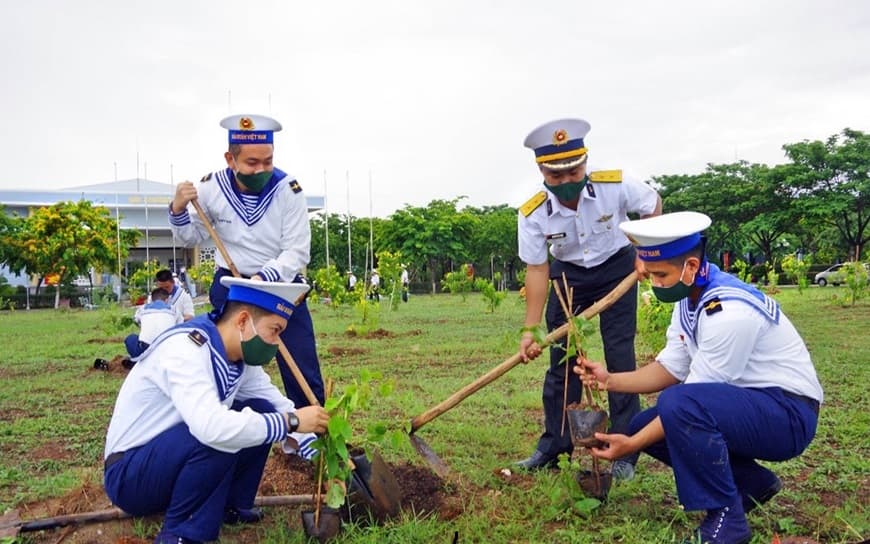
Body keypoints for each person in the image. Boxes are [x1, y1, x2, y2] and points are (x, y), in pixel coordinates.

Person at [575, 211, 823, 544]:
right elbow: (671, 367)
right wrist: (609, 380)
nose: (654, 283)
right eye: (649, 274)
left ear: (691, 267)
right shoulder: (690, 297)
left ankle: (727, 521)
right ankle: (750, 485)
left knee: (677, 405)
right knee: (644, 423)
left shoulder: (728, 311)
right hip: (753, 406)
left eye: (661, 274)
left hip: (789, 415)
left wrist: (632, 447)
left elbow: (692, 393)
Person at [104, 277, 330, 544]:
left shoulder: (239, 362)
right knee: (217, 431)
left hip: (169, 462)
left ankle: (230, 506)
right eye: (274, 330)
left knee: (260, 409)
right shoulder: (187, 349)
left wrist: (321, 457)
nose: (277, 343)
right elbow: (211, 427)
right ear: (243, 321)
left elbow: (280, 407)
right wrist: (289, 422)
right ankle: (181, 535)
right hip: (131, 476)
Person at [168, 114, 325, 454]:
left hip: (281, 287)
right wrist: (179, 208)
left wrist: (265, 278)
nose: (261, 169)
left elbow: (297, 250)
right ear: (230, 159)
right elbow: (190, 236)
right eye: (251, 162)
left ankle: (307, 432)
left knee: (299, 360)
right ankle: (233, 425)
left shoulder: (288, 190)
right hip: (232, 286)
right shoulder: (209, 189)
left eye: (268, 161)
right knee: (232, 359)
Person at [515, 118, 662, 479]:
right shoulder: (533, 212)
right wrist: (530, 328)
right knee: (562, 363)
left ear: (585, 162)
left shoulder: (615, 184)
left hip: (618, 268)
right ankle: (554, 446)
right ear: (541, 171)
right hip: (568, 278)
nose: (567, 182)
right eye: (555, 175)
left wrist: (646, 252)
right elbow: (537, 270)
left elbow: (653, 203)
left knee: (620, 356)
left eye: (573, 171)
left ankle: (625, 449)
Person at [124, 287, 180, 360]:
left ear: (152, 300)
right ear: (167, 300)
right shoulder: (174, 309)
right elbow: (179, 326)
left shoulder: (142, 309)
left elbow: (136, 321)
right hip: (168, 347)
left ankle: (136, 360)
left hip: (145, 347)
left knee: (131, 338)